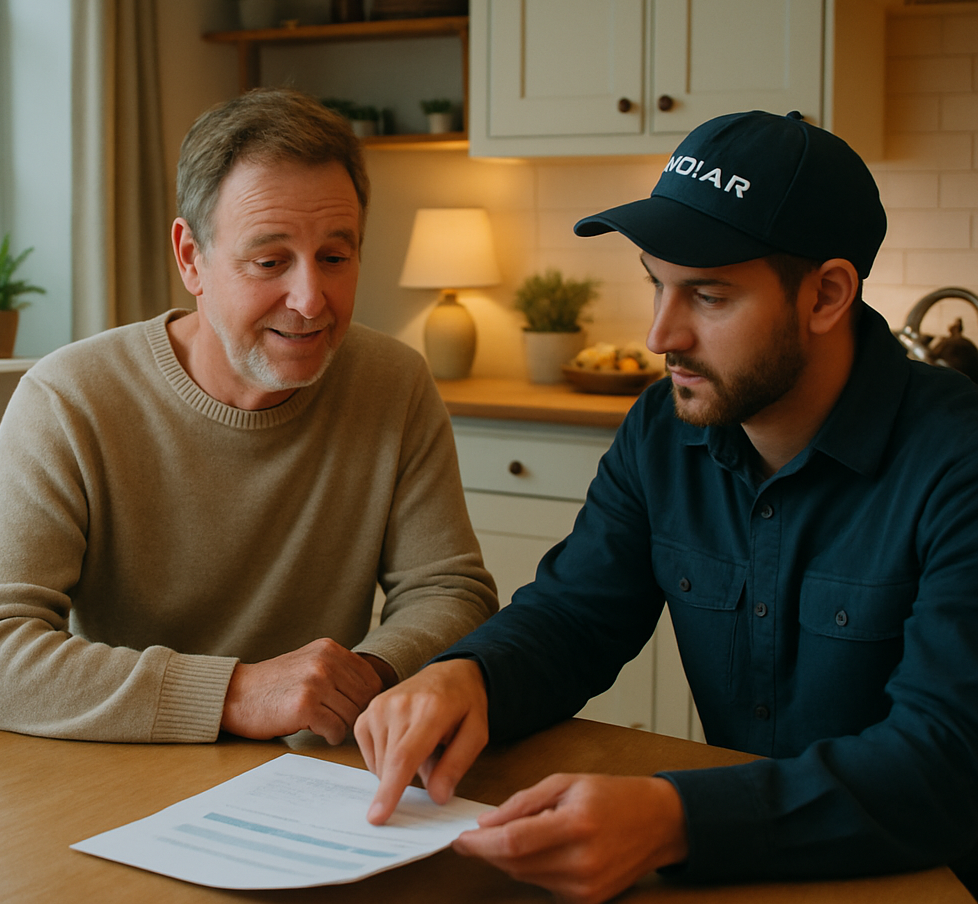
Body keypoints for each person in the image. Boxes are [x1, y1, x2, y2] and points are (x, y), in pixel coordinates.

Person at [354, 110, 978, 902]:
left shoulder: (958, 461)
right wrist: (467, 676)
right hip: (738, 872)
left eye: (708, 296)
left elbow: (947, 763)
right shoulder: (662, 430)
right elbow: (576, 617)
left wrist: (676, 818)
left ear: (826, 295)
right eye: (655, 282)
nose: (659, 333)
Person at [0, 88, 497, 745]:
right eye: (269, 262)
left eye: (335, 257)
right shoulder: (70, 397)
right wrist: (238, 694)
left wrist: (354, 680)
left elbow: (453, 593)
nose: (309, 299)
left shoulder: (394, 383)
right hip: (112, 770)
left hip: (310, 773)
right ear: (191, 258)